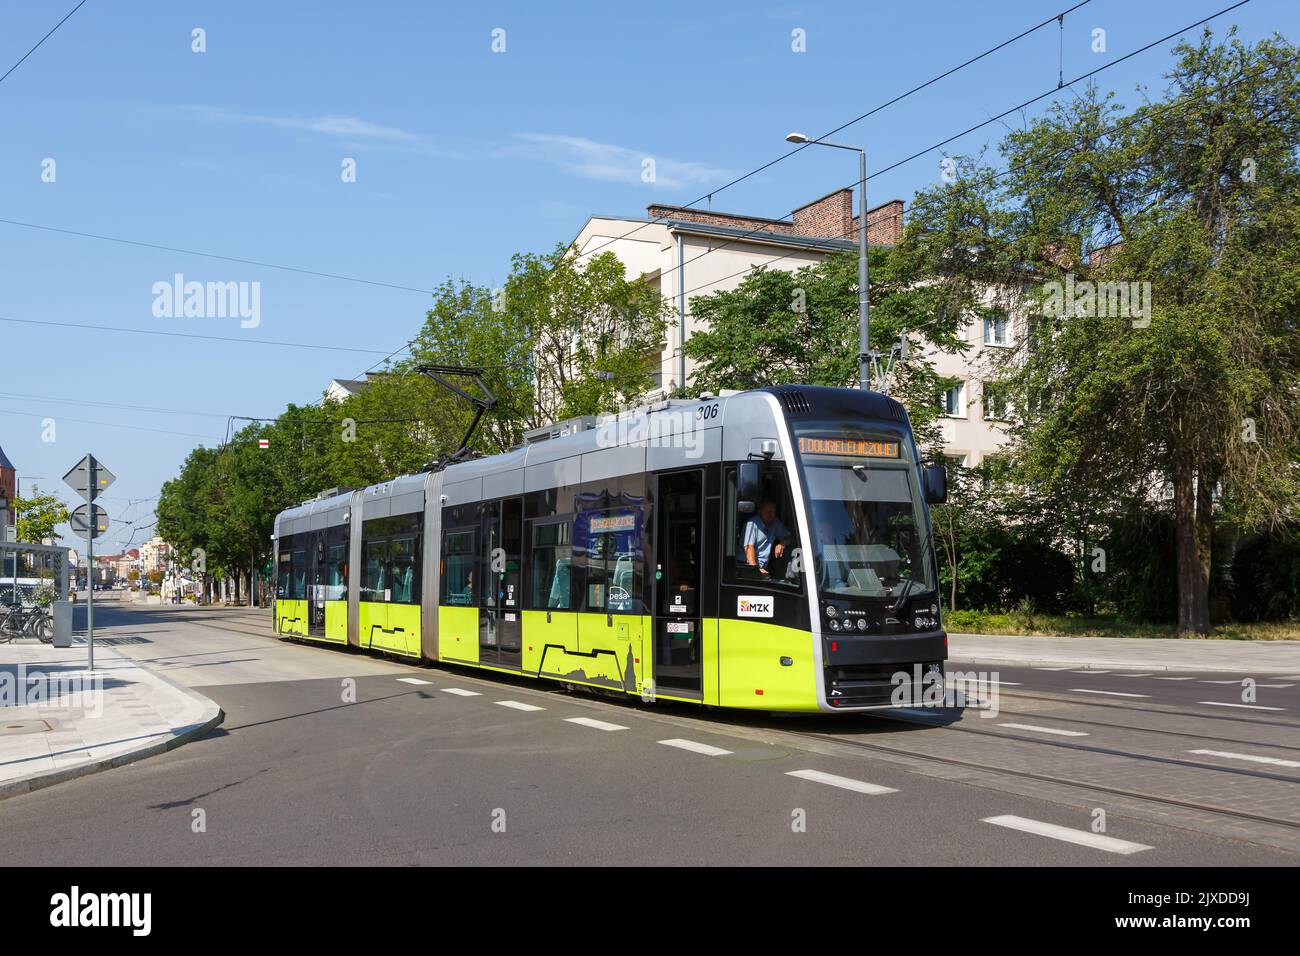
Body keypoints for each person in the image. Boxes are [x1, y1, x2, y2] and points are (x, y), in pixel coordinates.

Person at [743, 500, 789, 576]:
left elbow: (789, 537)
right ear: (760, 512)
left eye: (772, 511)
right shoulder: (752, 523)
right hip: (748, 567)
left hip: (762, 568)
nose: (770, 514)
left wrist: (782, 544)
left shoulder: (775, 523)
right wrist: (755, 570)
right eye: (767, 511)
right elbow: (749, 547)